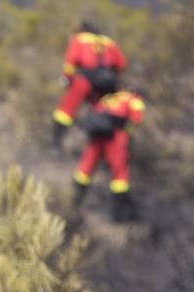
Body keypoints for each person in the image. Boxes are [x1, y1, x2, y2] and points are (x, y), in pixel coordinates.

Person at [72, 88, 146, 221]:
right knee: (119, 175)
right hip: (115, 138)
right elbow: (136, 119)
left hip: (96, 138)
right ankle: (117, 214)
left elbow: (95, 112)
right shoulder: (132, 99)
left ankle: (74, 202)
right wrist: (129, 135)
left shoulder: (108, 98)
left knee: (85, 168)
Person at [53, 21, 127, 149]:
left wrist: (67, 78)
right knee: (105, 113)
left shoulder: (79, 39)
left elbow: (71, 62)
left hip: (85, 79)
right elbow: (121, 64)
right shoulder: (109, 41)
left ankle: (56, 144)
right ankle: (106, 147)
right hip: (107, 82)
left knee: (65, 110)